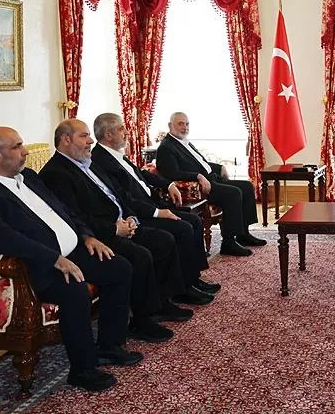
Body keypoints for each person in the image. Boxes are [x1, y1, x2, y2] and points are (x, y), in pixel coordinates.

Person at [0, 127, 141, 392]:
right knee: (74, 291)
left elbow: (64, 211)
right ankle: (83, 369)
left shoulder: (29, 177)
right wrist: (53, 258)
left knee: (119, 268)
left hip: (71, 251)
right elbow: (3, 237)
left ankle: (109, 346)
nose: (25, 151)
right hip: (35, 265)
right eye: (17, 147)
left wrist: (87, 236)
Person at [40, 119, 183, 341]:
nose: (90, 141)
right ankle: (142, 320)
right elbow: (74, 216)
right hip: (99, 234)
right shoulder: (55, 173)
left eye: (89, 135)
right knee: (140, 256)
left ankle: (161, 302)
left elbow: (119, 195)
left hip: (122, 224)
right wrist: (114, 229)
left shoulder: (88, 162)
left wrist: (131, 218)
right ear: (66, 140)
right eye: (84, 136)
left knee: (164, 240)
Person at [90, 113, 219, 306]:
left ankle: (192, 278)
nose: (126, 132)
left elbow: (142, 175)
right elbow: (124, 197)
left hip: (151, 203)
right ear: (108, 135)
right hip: (139, 213)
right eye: (121, 128)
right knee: (183, 227)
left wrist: (168, 184)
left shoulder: (115, 154)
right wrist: (157, 212)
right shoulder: (101, 160)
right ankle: (181, 289)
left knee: (194, 221)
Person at [155, 112, 265, 257]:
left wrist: (219, 168)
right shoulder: (166, 147)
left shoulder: (184, 142)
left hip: (210, 179)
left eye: (187, 124)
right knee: (233, 193)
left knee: (247, 187)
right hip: (197, 187)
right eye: (180, 124)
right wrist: (197, 176)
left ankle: (243, 233)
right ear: (170, 125)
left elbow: (201, 163)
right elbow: (171, 173)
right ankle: (228, 242)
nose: (185, 127)